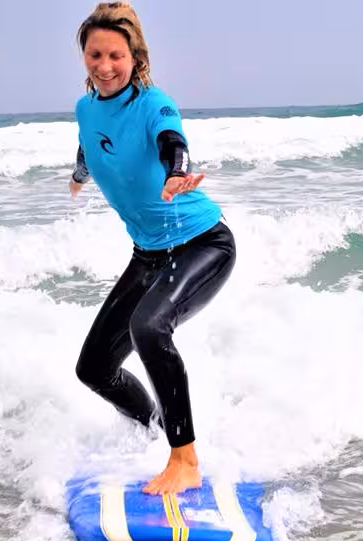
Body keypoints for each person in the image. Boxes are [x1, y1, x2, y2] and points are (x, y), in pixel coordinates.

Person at [69, 2, 236, 495]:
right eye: (95, 55)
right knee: (94, 368)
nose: (104, 66)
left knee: (149, 327)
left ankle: (185, 459)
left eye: (114, 56)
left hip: (202, 243)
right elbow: (90, 142)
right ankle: (155, 430)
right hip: (149, 255)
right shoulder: (85, 108)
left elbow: (171, 142)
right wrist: (79, 176)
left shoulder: (154, 102)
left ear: (134, 58)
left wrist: (178, 173)